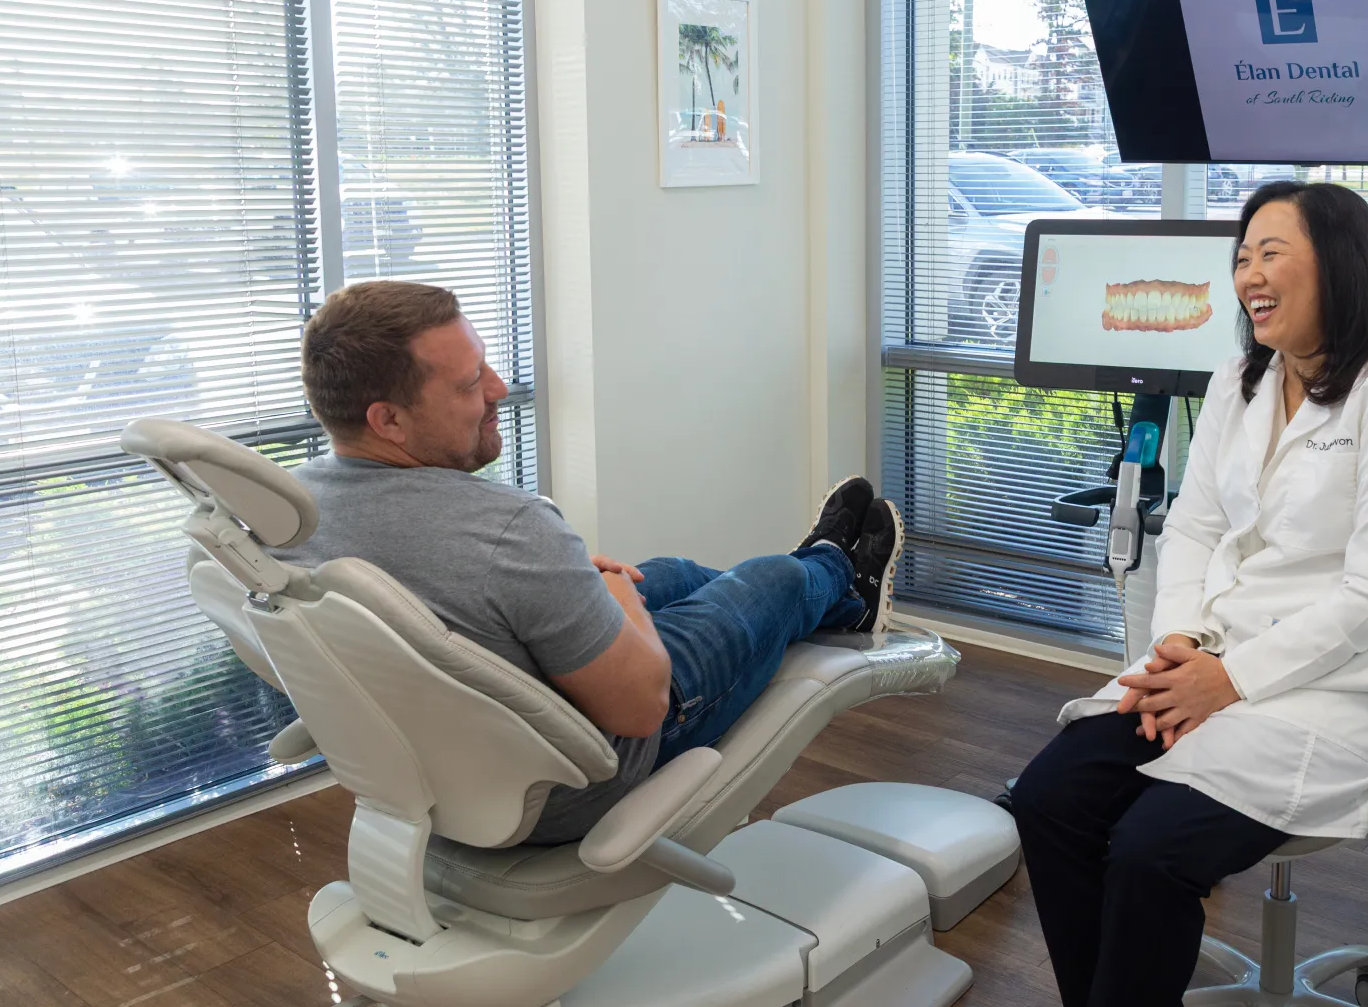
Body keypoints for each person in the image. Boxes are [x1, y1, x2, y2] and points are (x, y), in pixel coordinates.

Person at [1009, 182, 1368, 1007]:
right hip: (1207, 662)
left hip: (1333, 691)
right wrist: (1180, 643)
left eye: (1271, 253)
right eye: (1242, 256)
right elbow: (1192, 528)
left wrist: (1231, 680)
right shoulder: (1239, 380)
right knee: (1049, 800)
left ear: (1340, 267)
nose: (1249, 272)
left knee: (1150, 851)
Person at [272, 279, 904, 844]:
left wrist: (577, 582)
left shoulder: (293, 514)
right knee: (775, 579)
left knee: (675, 574)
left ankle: (838, 606)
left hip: (453, 762)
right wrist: (616, 597)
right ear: (388, 420)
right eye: (470, 383)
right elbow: (639, 710)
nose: (499, 388)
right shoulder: (509, 530)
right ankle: (832, 571)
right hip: (572, 782)